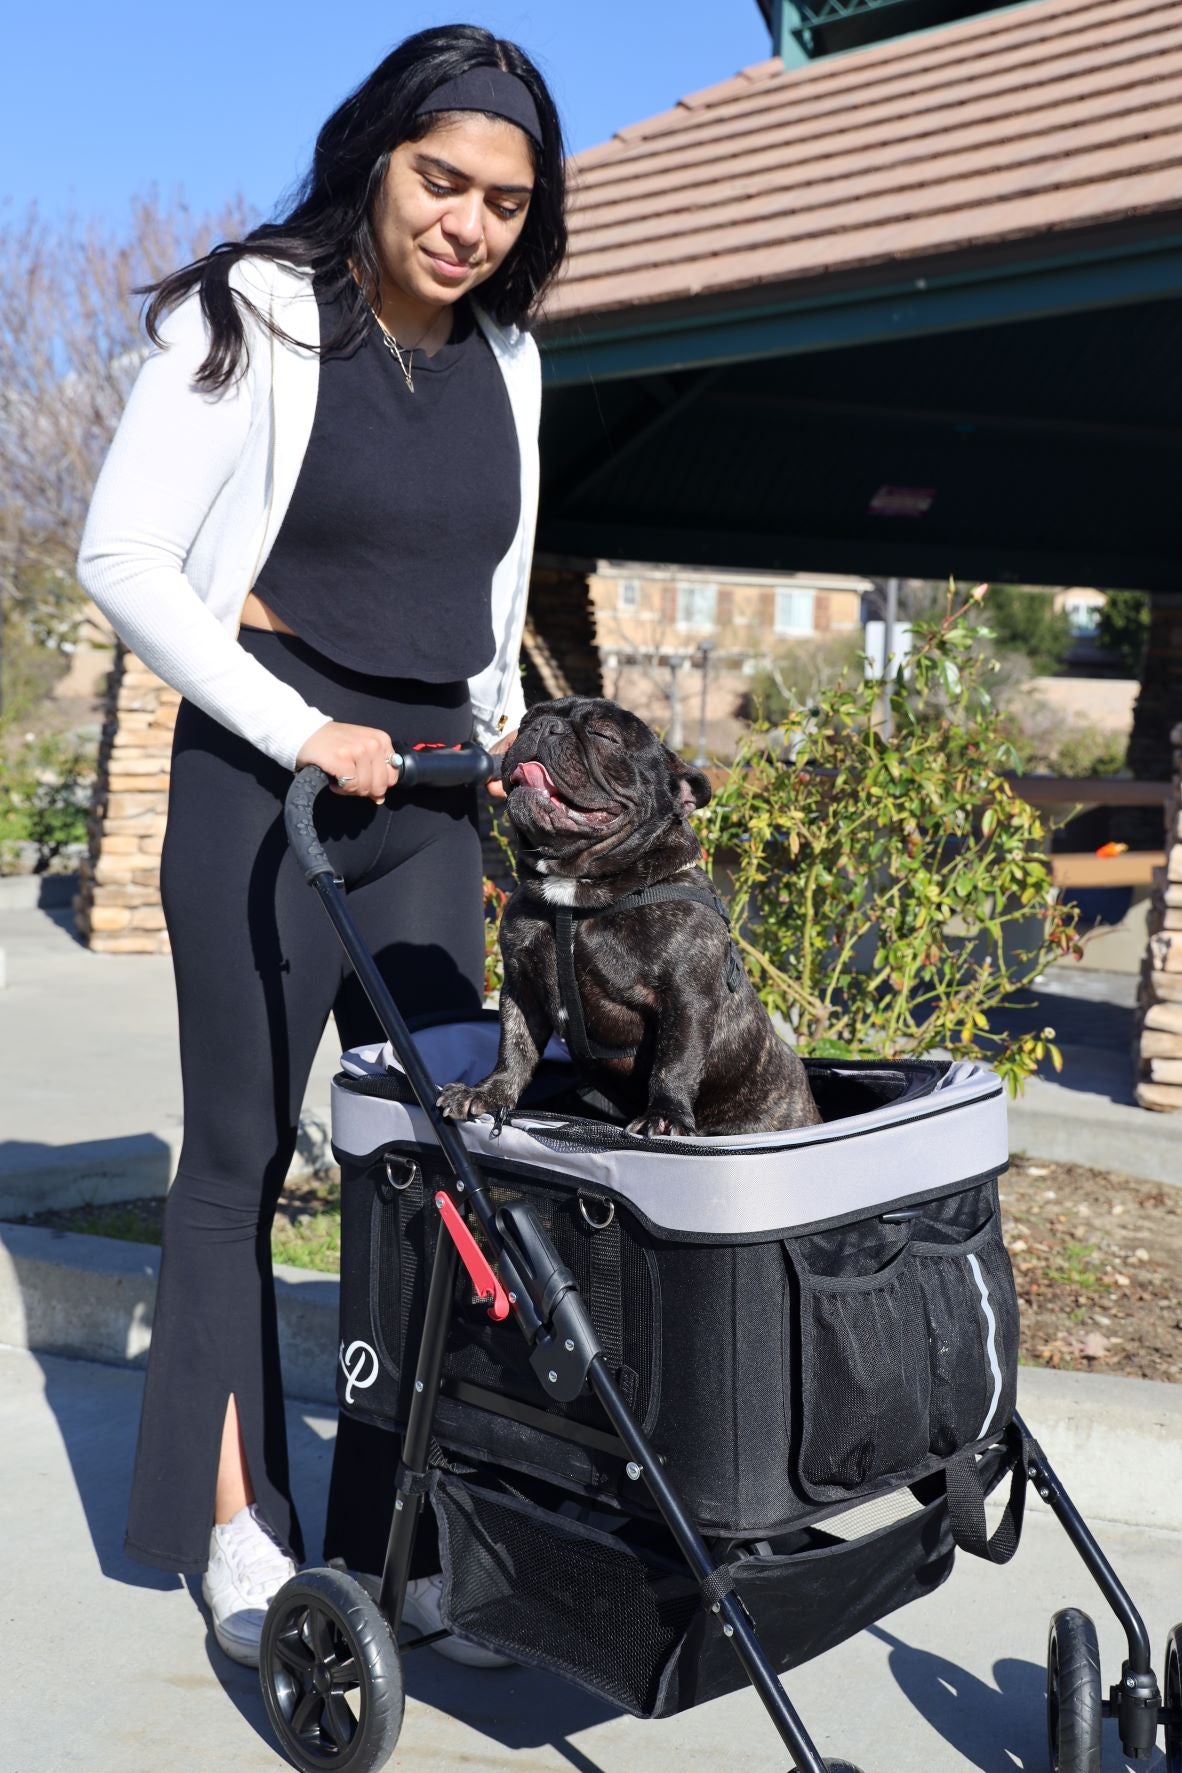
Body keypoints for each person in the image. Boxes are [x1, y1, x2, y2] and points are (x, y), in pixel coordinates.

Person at [75, 23, 567, 1668]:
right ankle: (237, 1528)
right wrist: (298, 728)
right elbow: (124, 554)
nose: (468, 222)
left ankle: (416, 1524)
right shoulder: (256, 315)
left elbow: (491, 607)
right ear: (375, 161)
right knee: (238, 1163)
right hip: (267, 790)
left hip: (427, 797)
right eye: (441, 180)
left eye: (504, 198)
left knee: (439, 1166)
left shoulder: (510, 358)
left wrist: (499, 751)